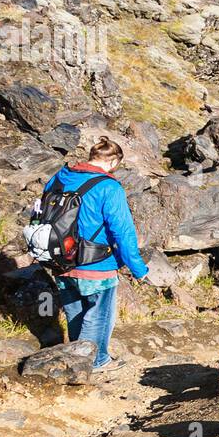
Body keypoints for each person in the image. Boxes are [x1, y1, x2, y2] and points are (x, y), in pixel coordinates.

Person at [43, 136, 148, 372]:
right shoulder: (109, 187)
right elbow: (122, 230)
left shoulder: (59, 177)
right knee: (98, 316)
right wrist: (138, 268)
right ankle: (96, 362)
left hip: (60, 259)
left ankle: (75, 362)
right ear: (112, 162)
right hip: (97, 263)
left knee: (75, 313)